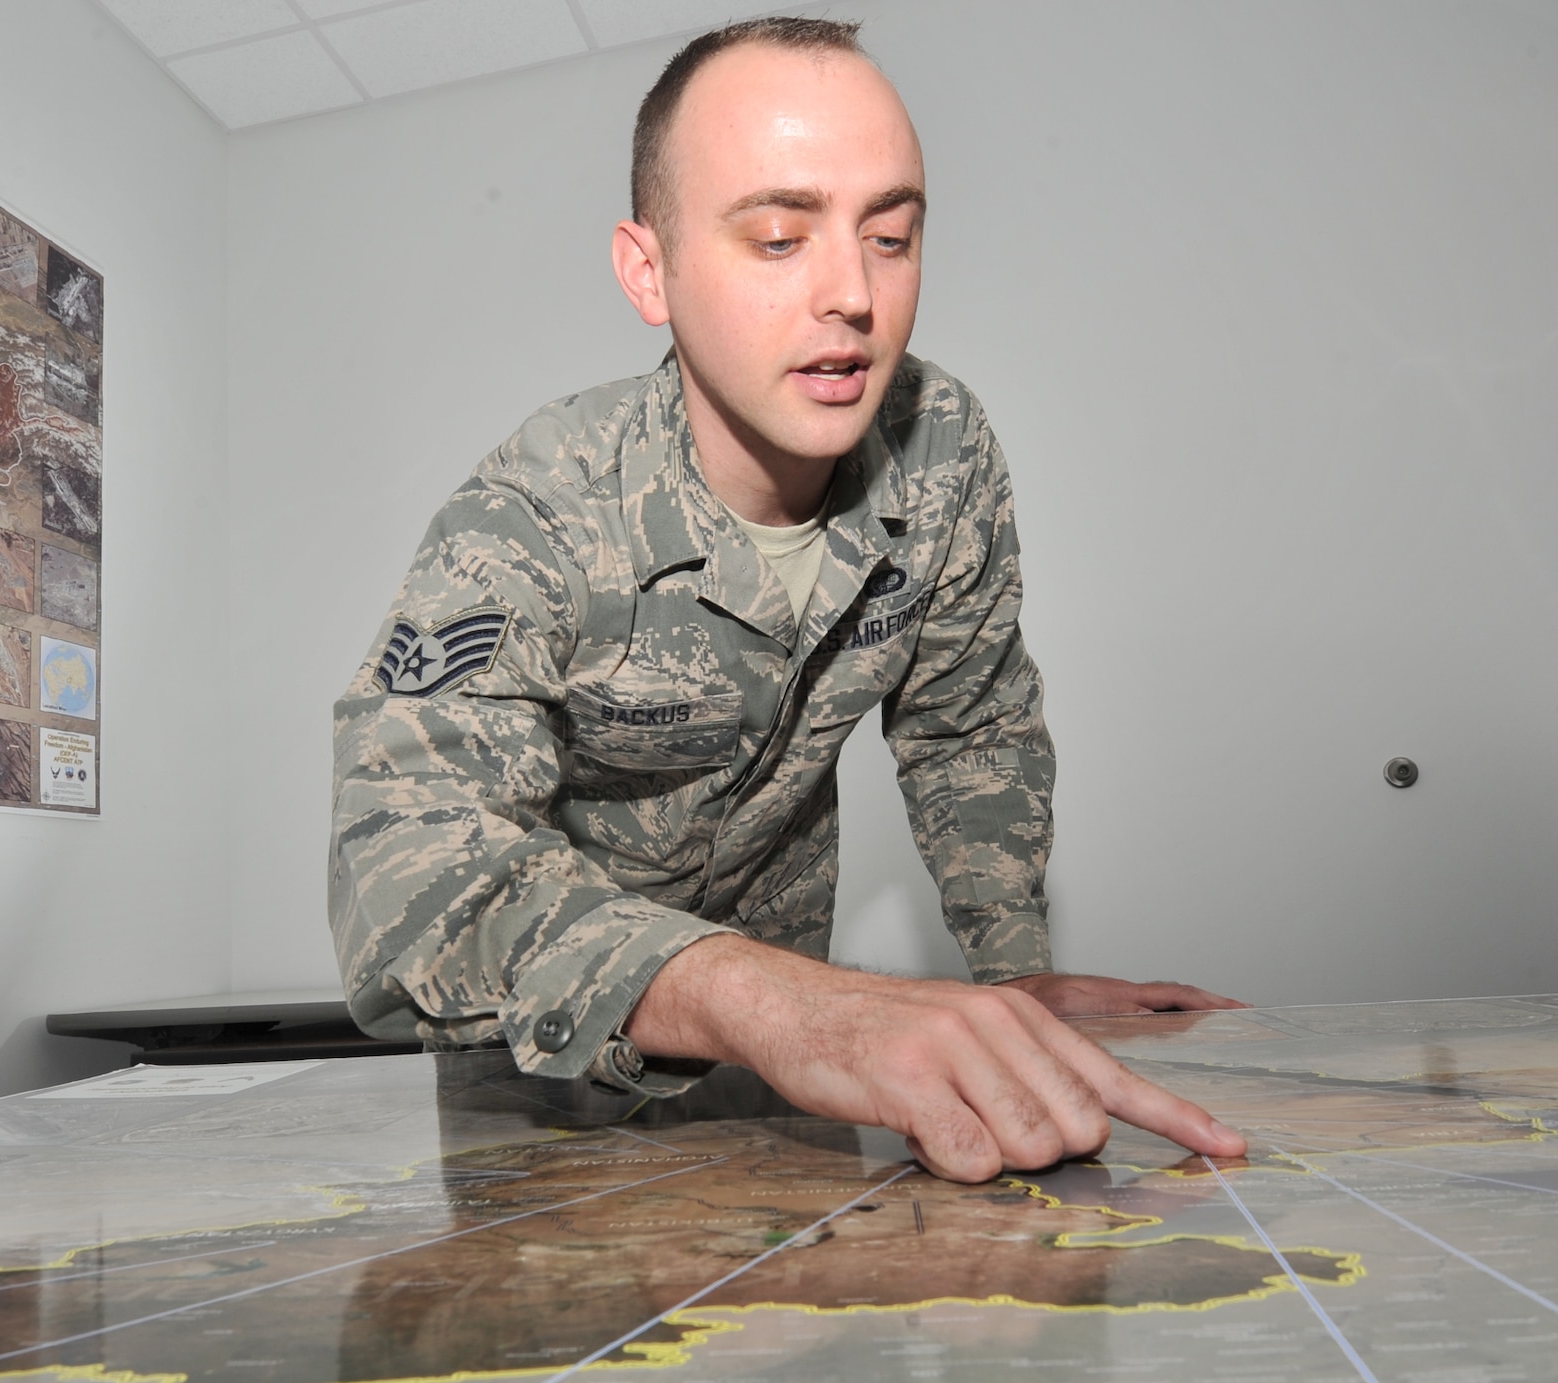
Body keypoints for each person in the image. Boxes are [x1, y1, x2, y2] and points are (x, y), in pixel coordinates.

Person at [329, 17, 1248, 1184]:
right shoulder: (539, 506)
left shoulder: (941, 450)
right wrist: (786, 1006)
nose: (850, 294)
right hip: (548, 1082)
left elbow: (968, 723)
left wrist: (1011, 977)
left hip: (794, 1084)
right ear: (646, 269)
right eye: (776, 236)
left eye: (891, 235)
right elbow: (403, 874)